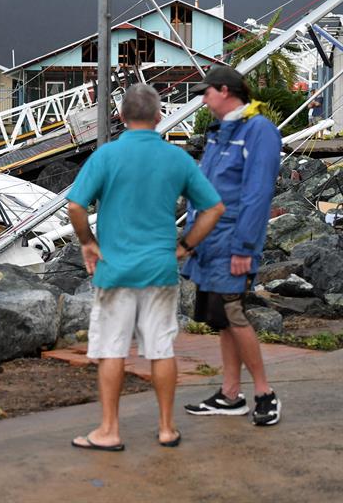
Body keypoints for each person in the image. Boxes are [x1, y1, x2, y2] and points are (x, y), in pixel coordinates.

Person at [67, 83, 224, 451]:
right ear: (158, 117)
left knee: (112, 350)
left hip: (115, 270)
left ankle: (109, 430)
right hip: (159, 269)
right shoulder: (177, 159)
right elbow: (214, 208)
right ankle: (167, 428)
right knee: (161, 348)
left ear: (121, 117)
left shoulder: (106, 156)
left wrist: (88, 243)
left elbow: (75, 206)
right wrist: (184, 246)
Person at [181, 66, 283, 426]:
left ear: (225, 91)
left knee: (235, 315)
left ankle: (264, 392)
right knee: (223, 320)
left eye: (206, 94)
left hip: (231, 244)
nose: (204, 102)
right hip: (210, 244)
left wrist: (244, 248)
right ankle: (229, 394)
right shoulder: (223, 132)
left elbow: (257, 194)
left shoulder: (259, 131)